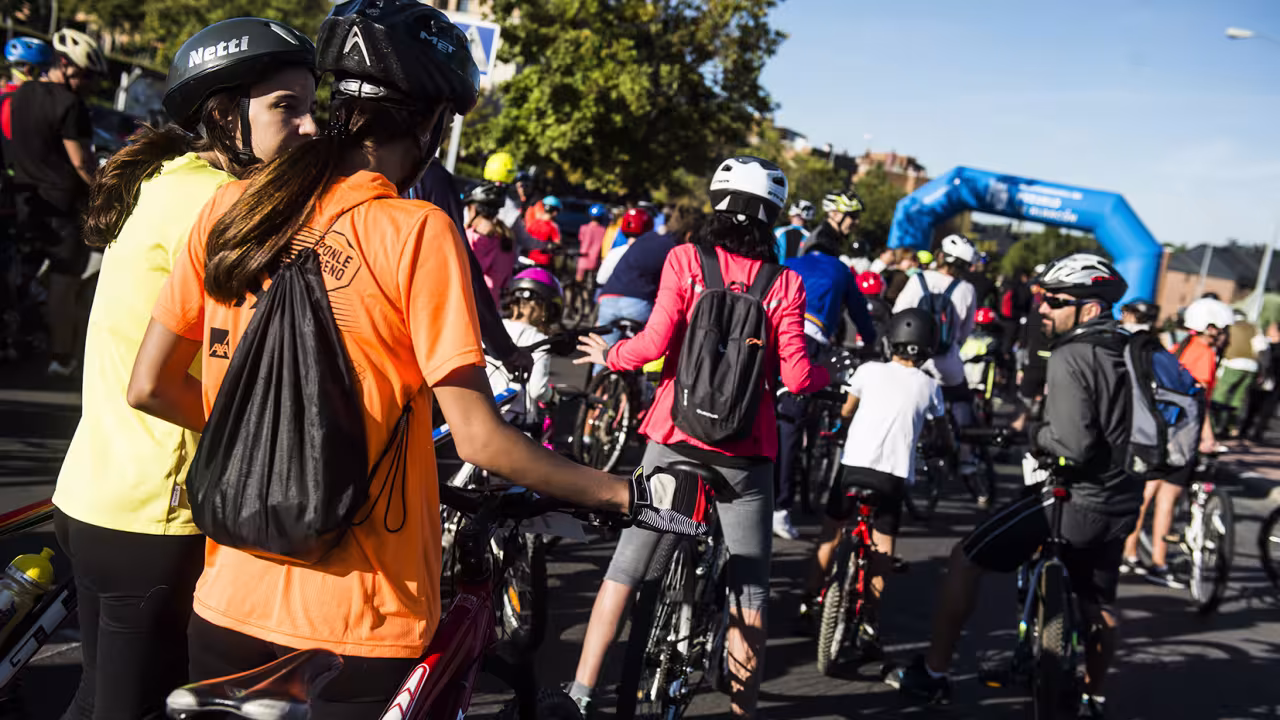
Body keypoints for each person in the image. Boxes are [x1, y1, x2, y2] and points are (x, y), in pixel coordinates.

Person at [126, 4, 707, 717]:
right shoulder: (416, 230)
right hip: (360, 619)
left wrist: (262, 442)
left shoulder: (231, 207)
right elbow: (479, 440)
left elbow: (150, 385)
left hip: (223, 603)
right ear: (432, 125)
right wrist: (623, 495)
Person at [50, 19, 318, 720]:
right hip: (155, 515)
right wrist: (257, 441)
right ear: (227, 116)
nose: (311, 127)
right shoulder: (219, 202)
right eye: (287, 106)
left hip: (93, 495)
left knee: (102, 699)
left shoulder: (166, 175)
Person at [571, 156, 830, 717]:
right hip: (745, 454)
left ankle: (582, 693)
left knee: (625, 569)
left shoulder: (685, 260)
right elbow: (796, 377)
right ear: (772, 216)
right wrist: (828, 375)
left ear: (717, 201)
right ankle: (742, 711)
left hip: (673, 437)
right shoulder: (785, 283)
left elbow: (652, 345)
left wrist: (611, 355)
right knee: (751, 589)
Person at [895, 253, 1139, 720]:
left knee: (964, 558)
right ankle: (1094, 698)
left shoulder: (1072, 354)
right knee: (1099, 604)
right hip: (1123, 497)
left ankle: (933, 673)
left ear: (1090, 309)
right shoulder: (1136, 348)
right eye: (1041, 298)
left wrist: (1035, 436)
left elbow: (1071, 444)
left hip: (1072, 499)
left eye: (1055, 301)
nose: (1042, 309)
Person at [799, 309, 946, 654]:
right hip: (892, 477)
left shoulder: (868, 371)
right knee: (883, 549)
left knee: (830, 534)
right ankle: (869, 620)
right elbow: (941, 432)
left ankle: (808, 599)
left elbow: (847, 410)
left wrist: (841, 423)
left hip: (853, 467)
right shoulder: (930, 386)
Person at [771, 214, 877, 540]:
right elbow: (861, 318)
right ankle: (780, 508)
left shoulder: (789, 261)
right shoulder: (842, 271)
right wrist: (871, 347)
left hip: (771, 333)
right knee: (791, 425)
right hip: (811, 343)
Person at [9, 27, 106, 376]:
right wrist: (108, 195)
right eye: (86, 76)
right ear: (66, 66)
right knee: (64, 285)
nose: (90, 84)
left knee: (26, 273)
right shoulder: (70, 105)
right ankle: (62, 358)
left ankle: (19, 338)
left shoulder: (19, 95)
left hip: (26, 201)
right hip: (63, 207)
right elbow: (82, 162)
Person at [1120, 295, 1233, 587]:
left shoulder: (1178, 346)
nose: (1223, 335)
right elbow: (1196, 400)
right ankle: (1158, 562)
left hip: (1160, 429)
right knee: (1167, 501)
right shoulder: (1203, 354)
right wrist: (1207, 437)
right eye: (1221, 329)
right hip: (1182, 433)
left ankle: (1129, 554)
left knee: (1145, 497)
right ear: (1211, 327)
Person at [892, 234, 978, 425]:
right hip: (946, 363)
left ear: (941, 256)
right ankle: (964, 452)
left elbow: (898, 314)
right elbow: (964, 333)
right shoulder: (967, 289)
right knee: (962, 401)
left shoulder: (918, 279)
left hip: (910, 360)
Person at [486, 268, 561, 421]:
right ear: (545, 308)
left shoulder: (491, 328)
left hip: (479, 410)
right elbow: (537, 389)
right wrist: (553, 396)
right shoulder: (539, 339)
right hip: (512, 422)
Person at [462, 181, 516, 306]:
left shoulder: (470, 237)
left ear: (474, 209)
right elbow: (504, 280)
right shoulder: (506, 239)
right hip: (491, 307)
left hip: (466, 304)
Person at [1211, 310, 1259, 437]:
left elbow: (1221, 344)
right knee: (1238, 398)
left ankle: (1216, 426)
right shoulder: (1253, 327)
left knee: (1221, 395)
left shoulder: (1230, 326)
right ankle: (1232, 427)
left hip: (1233, 363)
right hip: (1251, 366)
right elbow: (1260, 347)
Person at [1239, 322, 1280, 443]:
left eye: (1272, 329)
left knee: (1265, 409)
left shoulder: (1271, 347)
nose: (1269, 331)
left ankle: (1256, 433)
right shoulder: (1266, 344)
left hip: (1272, 382)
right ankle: (1245, 431)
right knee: (1252, 406)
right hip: (1262, 381)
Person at [525, 194, 562, 266]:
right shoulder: (553, 226)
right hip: (544, 262)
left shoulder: (533, 223)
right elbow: (557, 243)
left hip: (529, 260)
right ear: (555, 212)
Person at [576, 203, 608, 281]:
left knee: (579, 279)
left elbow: (581, 239)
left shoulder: (583, 228)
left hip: (583, 258)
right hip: (596, 260)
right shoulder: (604, 230)